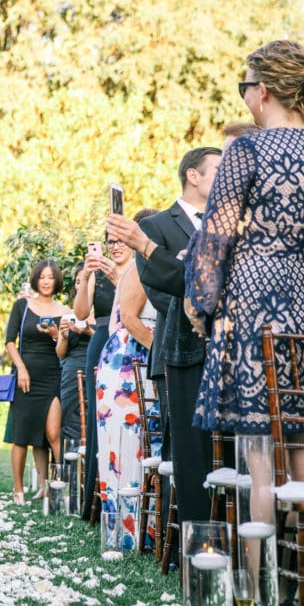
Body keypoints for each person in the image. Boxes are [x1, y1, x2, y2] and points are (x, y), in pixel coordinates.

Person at [185, 41, 304, 606]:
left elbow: (215, 239)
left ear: (264, 91)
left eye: (245, 87)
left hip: (255, 301)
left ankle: (258, 593)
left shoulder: (246, 152)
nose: (245, 97)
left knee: (258, 455)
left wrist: (200, 304)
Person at [107, 147, 221, 525]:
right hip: (182, 345)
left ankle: (230, 531)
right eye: (217, 170)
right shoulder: (155, 227)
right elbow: (159, 288)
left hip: (229, 347)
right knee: (187, 449)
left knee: (229, 447)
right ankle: (191, 540)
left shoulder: (229, 221)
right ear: (193, 175)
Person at [95, 208, 159, 551]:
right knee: (125, 443)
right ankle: (125, 531)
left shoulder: (155, 266)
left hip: (141, 359)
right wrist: (160, 351)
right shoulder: (139, 268)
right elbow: (128, 320)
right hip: (128, 363)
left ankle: (148, 531)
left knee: (146, 441)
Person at [4, 259, 71, 504]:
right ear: (36, 279)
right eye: (42, 276)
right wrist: (20, 368)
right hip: (26, 377)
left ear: (56, 281)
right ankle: (18, 489)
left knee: (52, 434)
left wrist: (56, 336)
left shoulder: (65, 311)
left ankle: (57, 488)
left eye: (50, 277)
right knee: (22, 435)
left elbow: (63, 351)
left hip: (53, 376)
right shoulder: (22, 305)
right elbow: (10, 340)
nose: (46, 281)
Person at [76, 231, 125, 516]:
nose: (114, 247)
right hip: (101, 341)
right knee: (99, 417)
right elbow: (81, 313)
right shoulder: (97, 275)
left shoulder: (134, 271)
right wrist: (85, 275)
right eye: (110, 242)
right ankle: (95, 503)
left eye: (120, 241)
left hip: (127, 337)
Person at [57, 262, 93, 446]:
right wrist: (62, 336)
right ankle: (69, 468)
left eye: (85, 280)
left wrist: (88, 333)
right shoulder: (68, 314)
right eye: (78, 282)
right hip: (71, 371)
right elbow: (61, 354)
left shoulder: (105, 315)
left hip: (95, 366)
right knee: (69, 418)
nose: (82, 286)